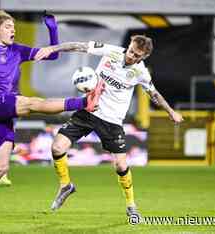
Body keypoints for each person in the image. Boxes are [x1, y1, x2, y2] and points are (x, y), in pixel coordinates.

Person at [0, 9, 104, 223]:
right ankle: (83, 103)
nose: (13, 30)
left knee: (0, 168)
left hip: (3, 113)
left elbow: (52, 54)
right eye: (8, 27)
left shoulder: (18, 51)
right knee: (31, 103)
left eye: (14, 26)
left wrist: (52, 29)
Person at [35, 35, 184, 218]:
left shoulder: (141, 73)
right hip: (89, 110)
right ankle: (66, 186)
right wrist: (53, 49)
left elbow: (154, 94)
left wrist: (171, 112)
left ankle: (131, 205)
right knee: (57, 146)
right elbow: (79, 46)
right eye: (131, 51)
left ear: (144, 57)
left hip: (112, 121)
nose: (132, 57)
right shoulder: (111, 51)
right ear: (128, 46)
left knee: (121, 166)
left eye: (137, 56)